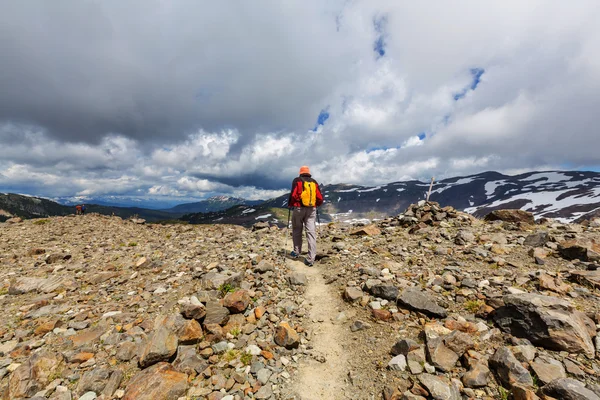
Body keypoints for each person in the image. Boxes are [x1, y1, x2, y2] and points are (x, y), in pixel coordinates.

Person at [287, 165, 323, 266]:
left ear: (300, 172)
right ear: (308, 172)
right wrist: (316, 205)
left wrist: (290, 204)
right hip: (312, 209)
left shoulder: (297, 180)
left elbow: (293, 195)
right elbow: (319, 197)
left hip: (299, 208)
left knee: (297, 230)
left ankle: (296, 252)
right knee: (311, 232)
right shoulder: (314, 182)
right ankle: (311, 258)